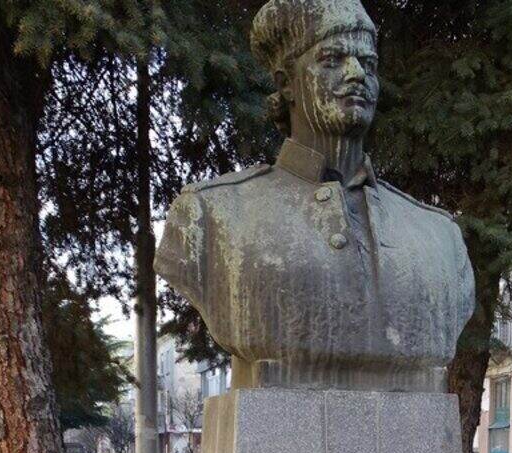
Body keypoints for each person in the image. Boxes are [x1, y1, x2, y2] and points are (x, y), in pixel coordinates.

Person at [156, 0, 474, 393]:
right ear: (286, 82)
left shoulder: (439, 236)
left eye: (368, 64)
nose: (357, 74)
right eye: (332, 60)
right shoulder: (212, 213)